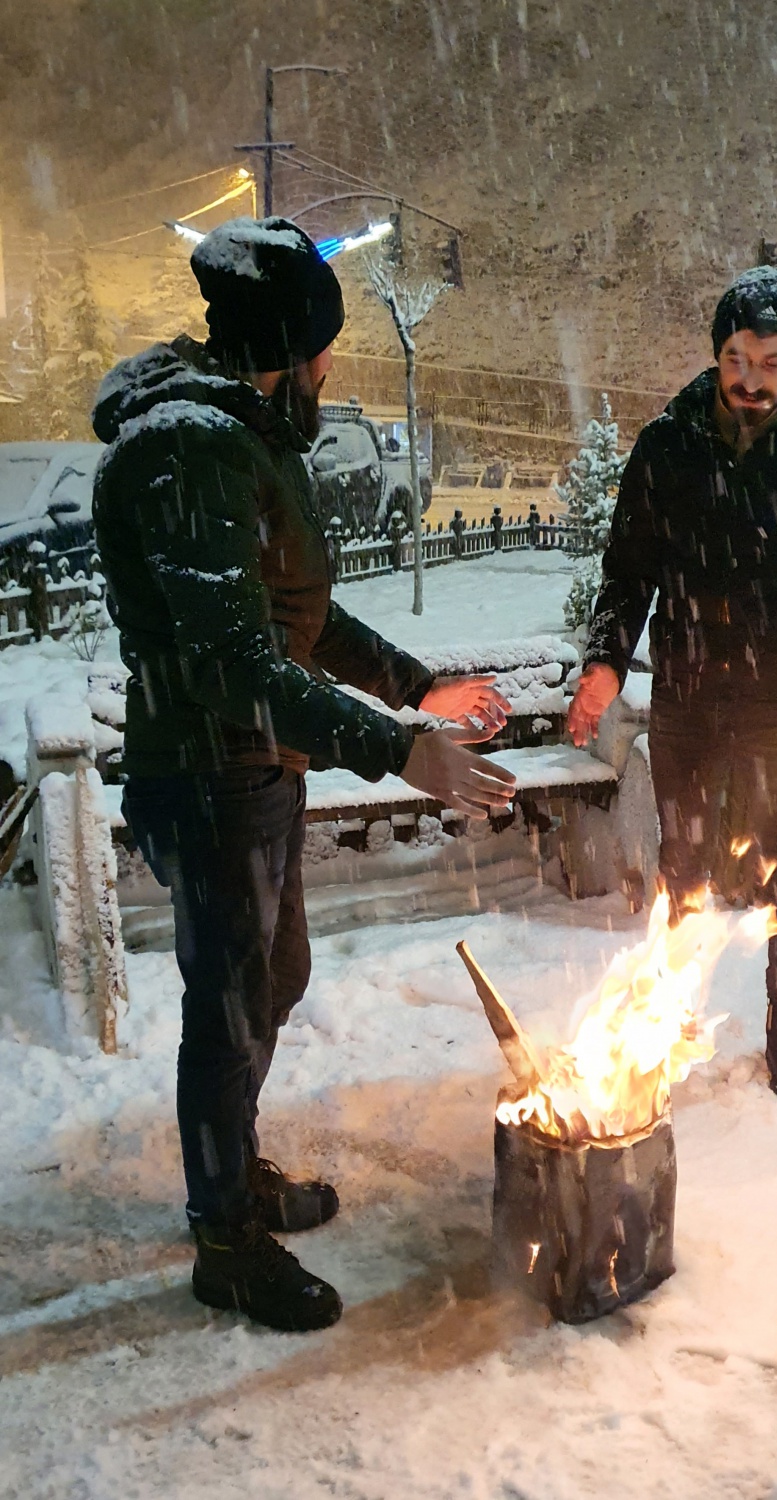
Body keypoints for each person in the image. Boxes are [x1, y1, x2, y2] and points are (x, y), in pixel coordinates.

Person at [91, 217, 515, 1332]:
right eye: (324, 347)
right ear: (290, 346)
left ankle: (233, 1170)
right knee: (228, 1009)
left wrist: (411, 687)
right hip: (210, 772)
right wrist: (396, 752)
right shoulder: (186, 448)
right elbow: (233, 665)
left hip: (261, 771)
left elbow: (296, 614)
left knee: (270, 986)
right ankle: (225, 1234)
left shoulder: (242, 431)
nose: (333, 368)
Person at [567, 266, 777, 1116]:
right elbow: (628, 572)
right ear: (717, 354)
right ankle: (660, 1030)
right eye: (738, 357)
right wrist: (604, 661)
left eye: (771, 362)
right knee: (685, 866)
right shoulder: (669, 445)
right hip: (691, 696)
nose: (750, 379)